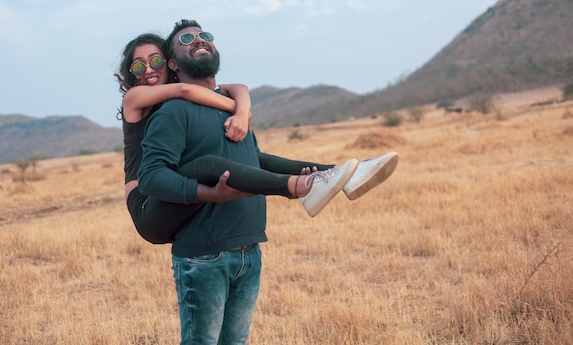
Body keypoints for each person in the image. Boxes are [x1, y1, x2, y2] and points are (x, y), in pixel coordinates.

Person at [136, 20, 398, 344]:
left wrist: (309, 168)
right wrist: (203, 193)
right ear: (173, 63)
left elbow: (253, 161)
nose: (199, 40)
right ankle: (304, 189)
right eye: (187, 38)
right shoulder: (174, 111)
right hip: (204, 256)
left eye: (205, 36)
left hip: (249, 250)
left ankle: (337, 173)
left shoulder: (233, 109)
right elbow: (151, 176)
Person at [116, 32, 388, 245]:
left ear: (168, 63)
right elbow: (187, 89)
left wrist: (243, 107)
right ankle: (299, 187)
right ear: (131, 74)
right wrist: (235, 108)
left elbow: (236, 87)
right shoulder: (135, 98)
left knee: (253, 158)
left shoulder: (176, 101)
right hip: (147, 203)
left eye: (155, 61)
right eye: (138, 66)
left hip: (171, 193)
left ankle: (339, 174)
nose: (148, 70)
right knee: (209, 165)